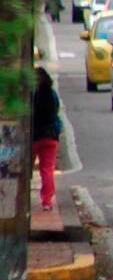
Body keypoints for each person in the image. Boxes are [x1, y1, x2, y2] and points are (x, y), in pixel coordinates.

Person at [31, 67, 62, 211]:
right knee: (47, 169)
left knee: (24, 168)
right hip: (50, 136)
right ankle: (47, 201)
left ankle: (21, 198)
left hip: (33, 136)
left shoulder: (32, 95)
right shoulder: (52, 94)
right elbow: (56, 111)